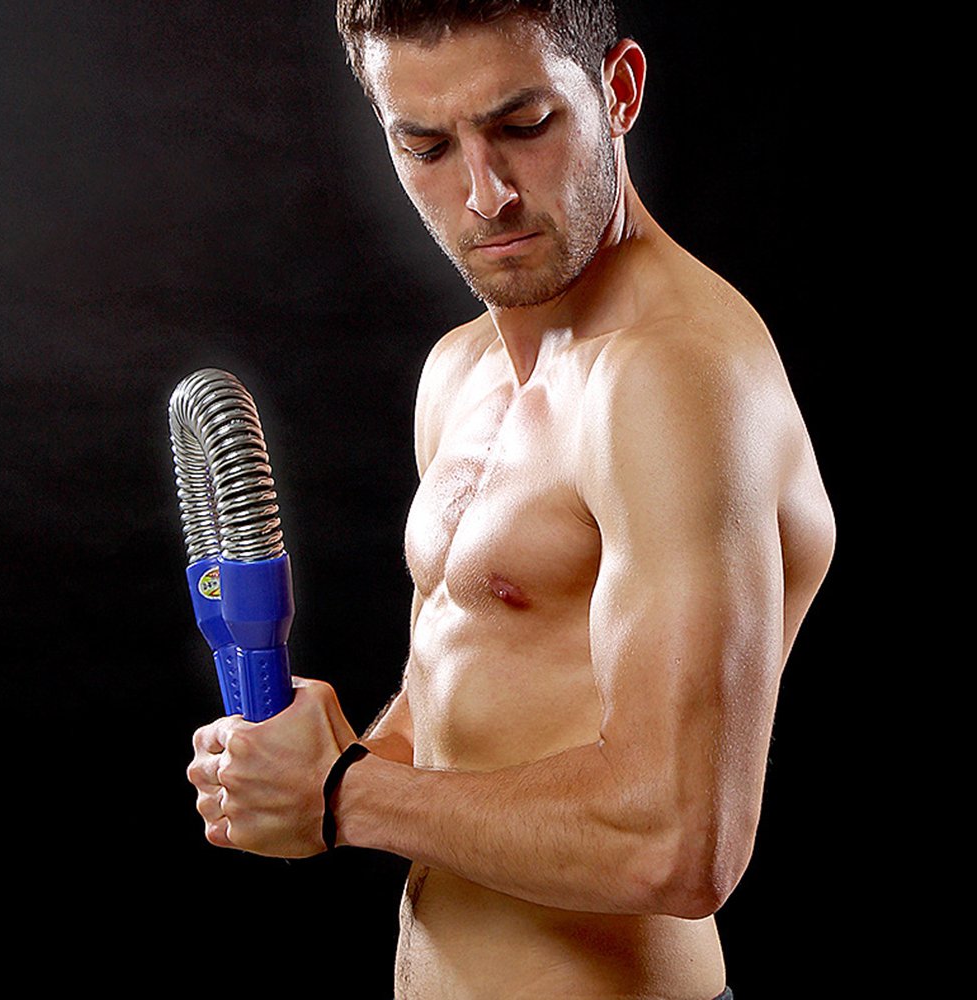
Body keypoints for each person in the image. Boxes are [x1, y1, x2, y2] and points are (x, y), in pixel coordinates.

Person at [186, 3, 835, 997]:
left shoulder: (675, 378)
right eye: (427, 146)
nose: (484, 194)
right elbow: (471, 707)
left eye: (523, 125)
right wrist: (321, 761)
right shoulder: (461, 369)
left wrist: (342, 793)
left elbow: (678, 841)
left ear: (617, 90)